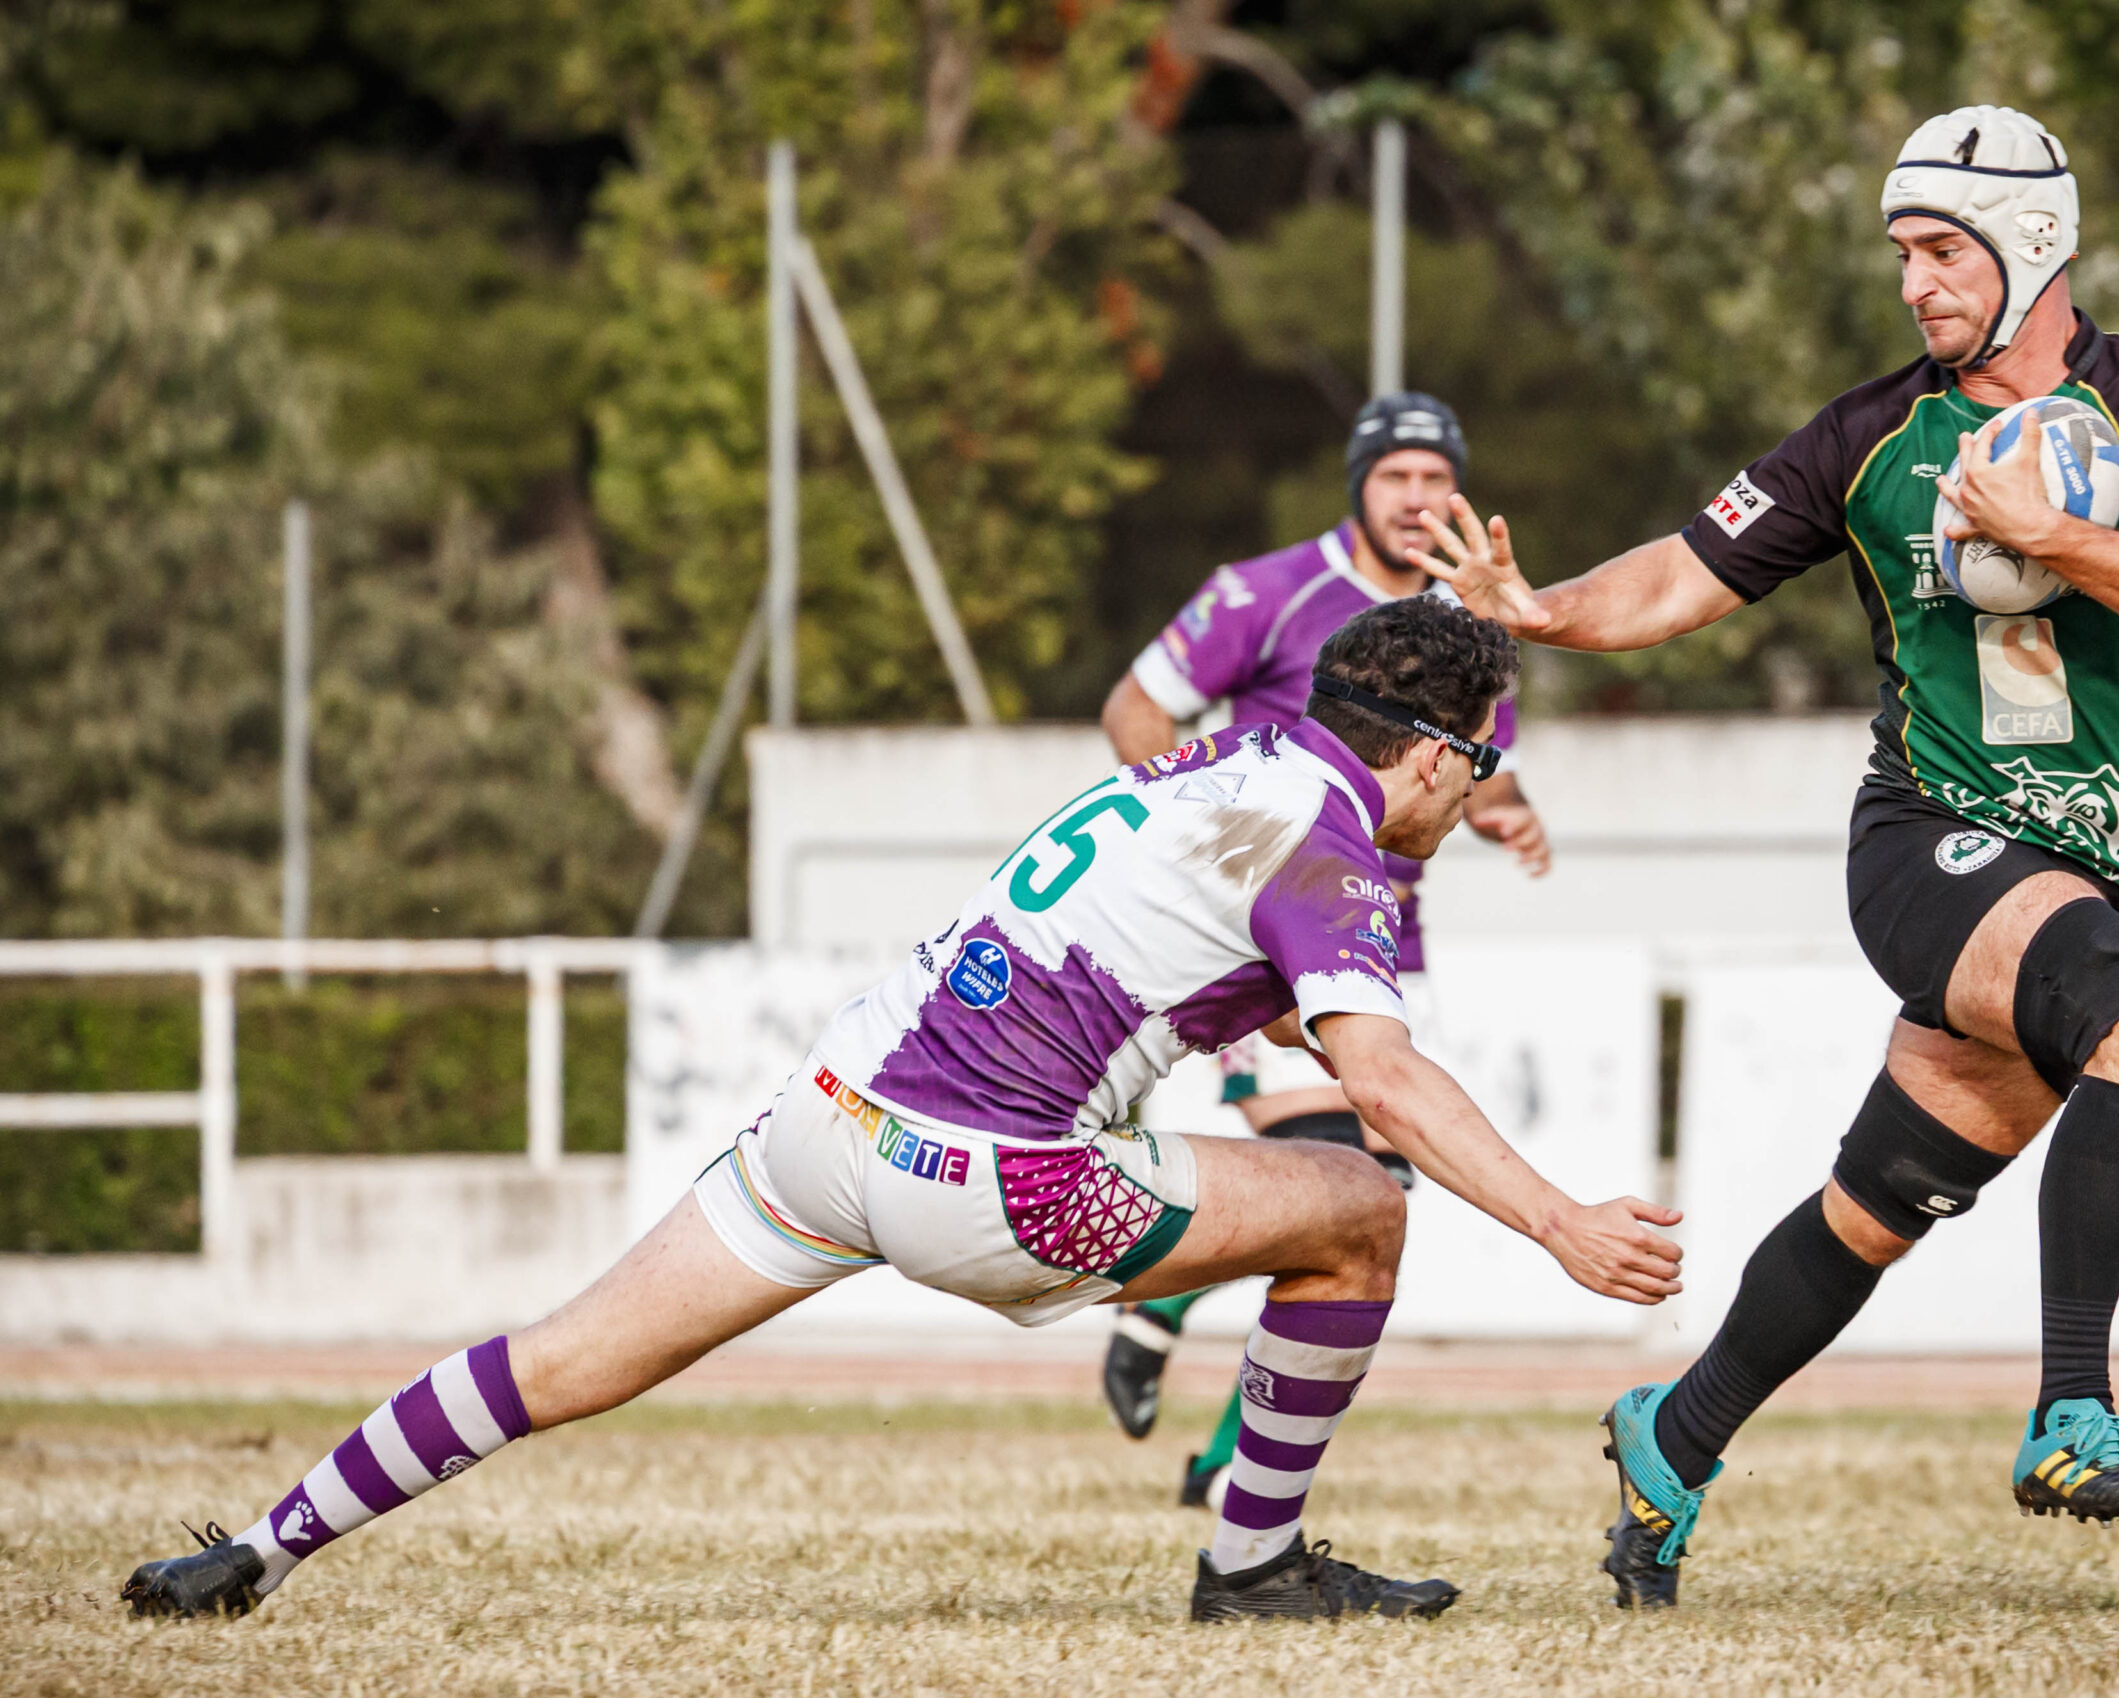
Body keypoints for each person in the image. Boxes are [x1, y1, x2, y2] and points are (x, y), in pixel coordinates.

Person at [120, 600, 1681, 1625]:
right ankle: (1251, 1565)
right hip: (995, 1180)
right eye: (1477, 767)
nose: (1472, 801)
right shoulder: (1334, 850)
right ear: (1420, 751)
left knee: (566, 1354)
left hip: (826, 1120)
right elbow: (1389, 1079)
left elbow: (1190, 962)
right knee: (1360, 1212)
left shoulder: (1228, 763)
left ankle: (260, 1545)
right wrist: (1560, 1223)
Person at [1417, 105, 2119, 1607]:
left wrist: (2055, 537)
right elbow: (1686, 569)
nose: (1915, 283)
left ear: (2036, 244)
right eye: (1902, 254)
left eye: (1944, 250)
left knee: (1881, 1202)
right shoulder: (1869, 433)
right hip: (1930, 844)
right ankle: (2074, 1411)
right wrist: (1546, 607)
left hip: (2089, 873)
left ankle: (1670, 1433)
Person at [1095, 392, 1552, 1506]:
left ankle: (1220, 1451)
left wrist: (1506, 806)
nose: (1415, 499)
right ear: (1357, 484)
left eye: (1434, 479)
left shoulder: (1466, 615)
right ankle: (1164, 1314)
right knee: (1342, 1180)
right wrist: (1221, 837)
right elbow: (1132, 715)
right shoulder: (1267, 591)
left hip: (1384, 941)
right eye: (1393, 477)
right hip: (1265, 935)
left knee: (1374, 1191)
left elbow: (1466, 763)